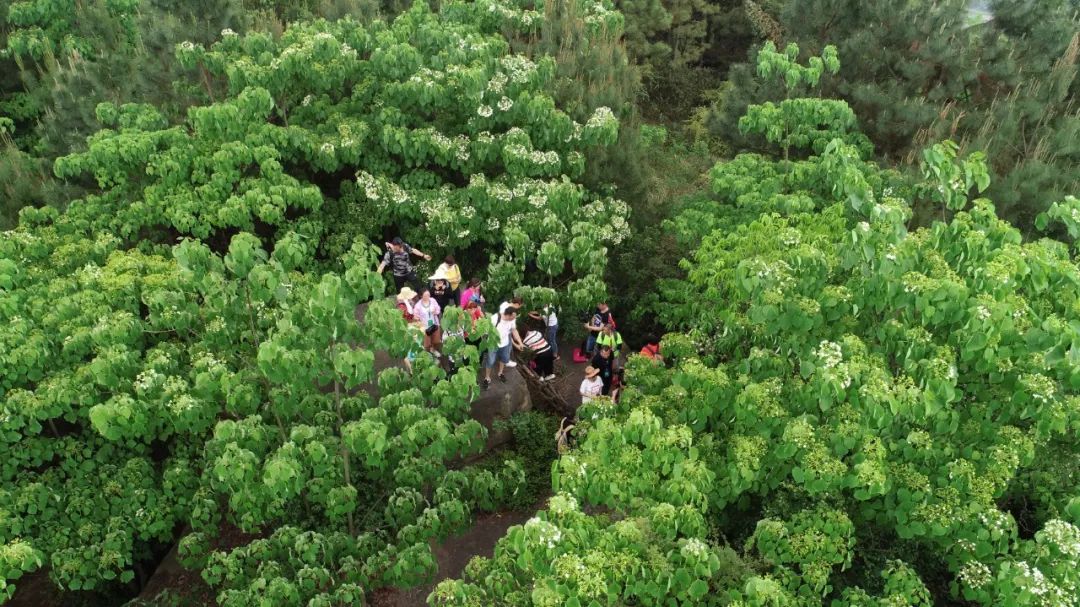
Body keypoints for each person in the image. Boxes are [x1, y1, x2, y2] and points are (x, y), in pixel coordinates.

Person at [483, 307, 523, 389]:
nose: (514, 319)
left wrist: (520, 342)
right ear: (508, 315)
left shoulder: (512, 320)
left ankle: (500, 373)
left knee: (504, 359)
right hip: (493, 344)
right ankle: (487, 378)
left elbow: (514, 330)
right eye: (513, 317)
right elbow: (486, 331)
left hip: (505, 344)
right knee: (490, 361)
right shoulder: (495, 318)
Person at [413, 288, 442, 355]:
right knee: (427, 343)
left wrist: (435, 312)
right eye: (425, 296)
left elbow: (438, 308)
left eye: (428, 295)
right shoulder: (418, 305)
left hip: (434, 324)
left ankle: (434, 349)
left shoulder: (433, 300)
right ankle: (428, 353)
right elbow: (415, 316)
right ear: (421, 296)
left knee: (436, 340)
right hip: (425, 327)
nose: (428, 297)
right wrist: (417, 319)